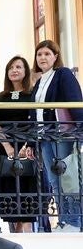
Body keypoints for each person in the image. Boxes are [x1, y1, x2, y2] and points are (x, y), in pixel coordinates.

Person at [32, 39, 83, 231]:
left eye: (47, 54)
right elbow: (34, 112)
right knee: (54, 181)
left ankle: (74, 222)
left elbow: (74, 99)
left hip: (62, 134)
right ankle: (64, 219)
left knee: (68, 178)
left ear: (55, 56)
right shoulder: (39, 82)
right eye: (39, 54)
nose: (43, 57)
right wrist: (31, 141)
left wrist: (81, 129)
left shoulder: (62, 74)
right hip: (44, 137)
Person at [0, 55, 37, 233]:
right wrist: (9, 148)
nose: (14, 70)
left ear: (25, 71)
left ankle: (26, 237)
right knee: (10, 197)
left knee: (27, 196)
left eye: (18, 67)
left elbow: (35, 121)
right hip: (5, 148)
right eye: (11, 67)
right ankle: (15, 237)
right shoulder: (0, 96)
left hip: (28, 148)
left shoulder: (32, 94)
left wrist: (26, 146)